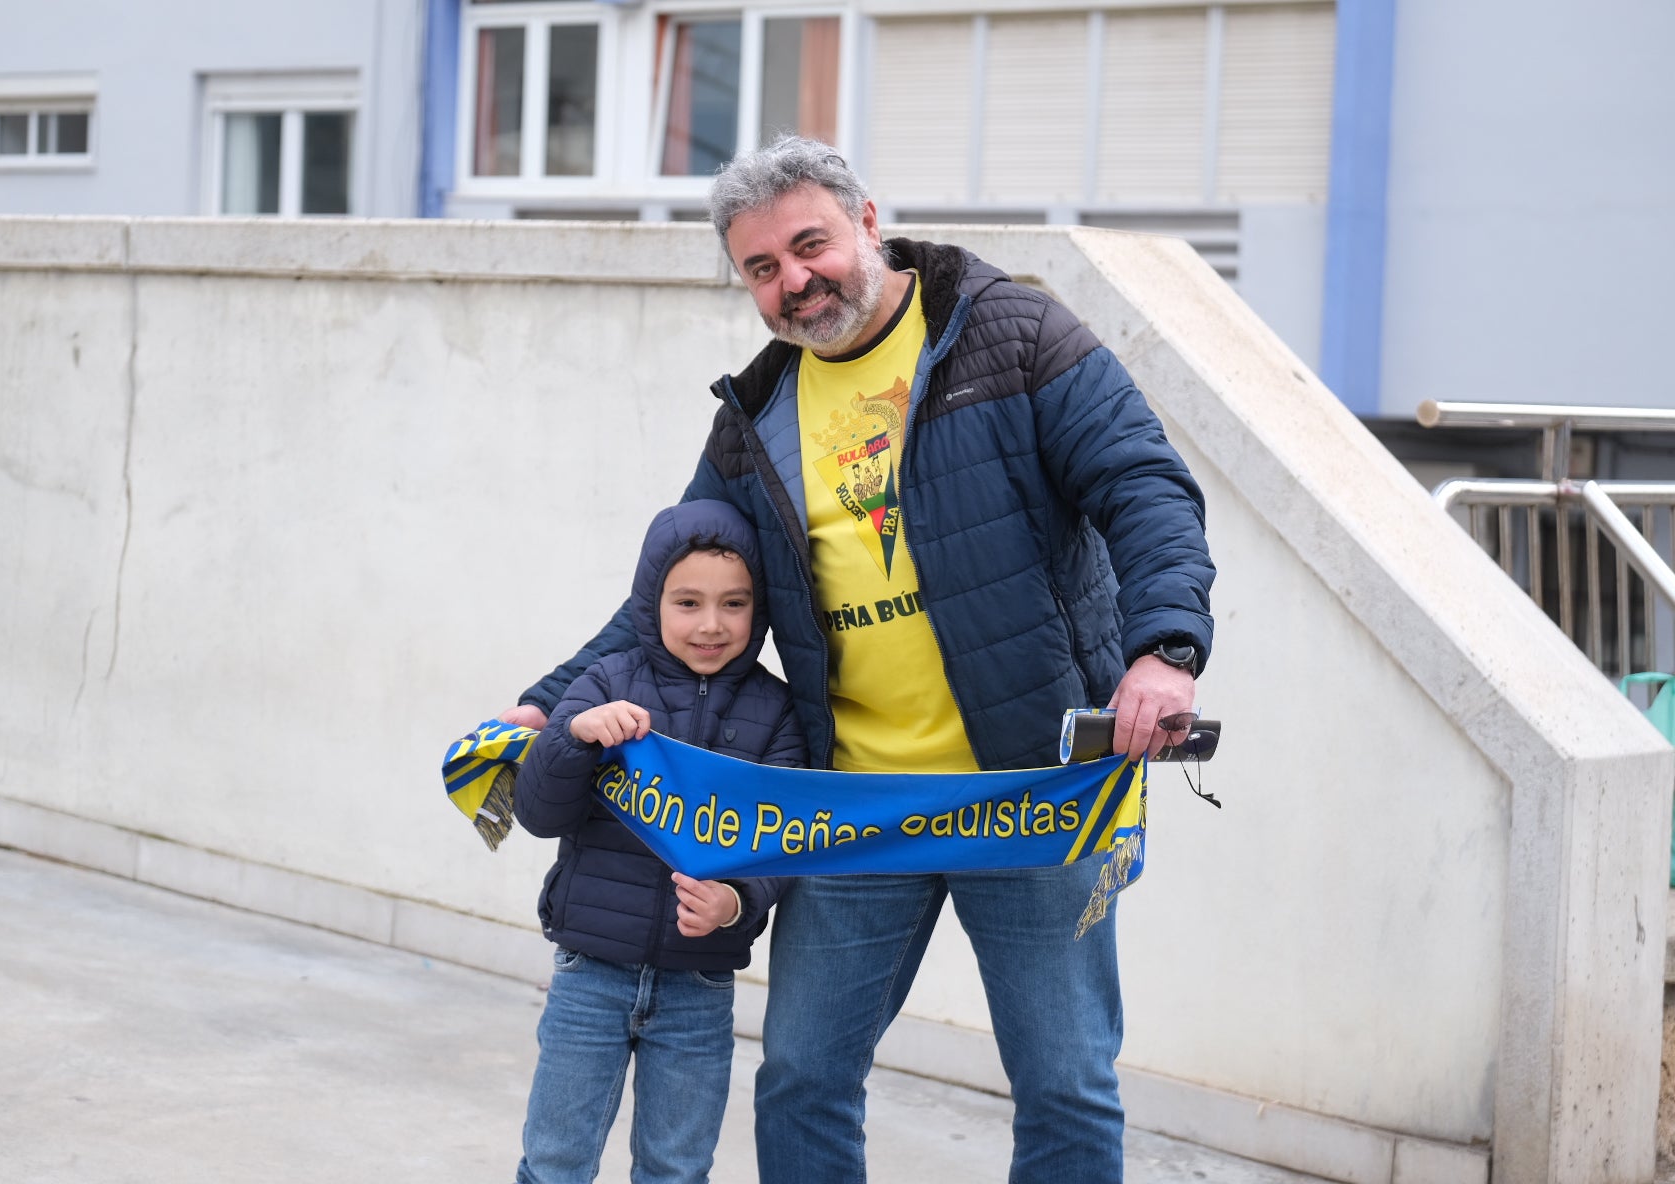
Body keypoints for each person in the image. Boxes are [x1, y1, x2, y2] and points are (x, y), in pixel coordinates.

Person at [503, 136, 1214, 1184]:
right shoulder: (759, 414)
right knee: (800, 1073)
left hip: (1033, 790)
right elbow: (668, 592)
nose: (795, 282)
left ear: (867, 222)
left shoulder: (1009, 334)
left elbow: (1144, 484)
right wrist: (546, 700)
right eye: (762, 268)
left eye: (810, 245)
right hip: (854, 805)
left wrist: (1165, 648)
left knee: (1064, 1082)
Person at [510, 498, 806, 1184]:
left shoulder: (777, 712)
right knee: (556, 1158)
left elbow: (783, 839)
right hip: (590, 972)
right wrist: (572, 738)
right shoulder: (605, 683)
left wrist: (735, 904)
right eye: (688, 602)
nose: (711, 624)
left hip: (699, 984)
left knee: (677, 1166)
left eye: (734, 604)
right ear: (651, 602)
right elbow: (538, 813)